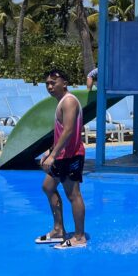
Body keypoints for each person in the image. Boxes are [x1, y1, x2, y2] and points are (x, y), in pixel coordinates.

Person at [35, 69, 87, 249]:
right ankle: (58, 230)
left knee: (74, 195)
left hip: (71, 155)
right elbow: (61, 133)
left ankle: (79, 237)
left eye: (53, 83)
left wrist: (54, 155)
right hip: (62, 154)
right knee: (48, 187)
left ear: (64, 83)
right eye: (47, 83)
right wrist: (50, 151)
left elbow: (69, 130)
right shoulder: (61, 102)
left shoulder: (69, 101)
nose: (49, 86)